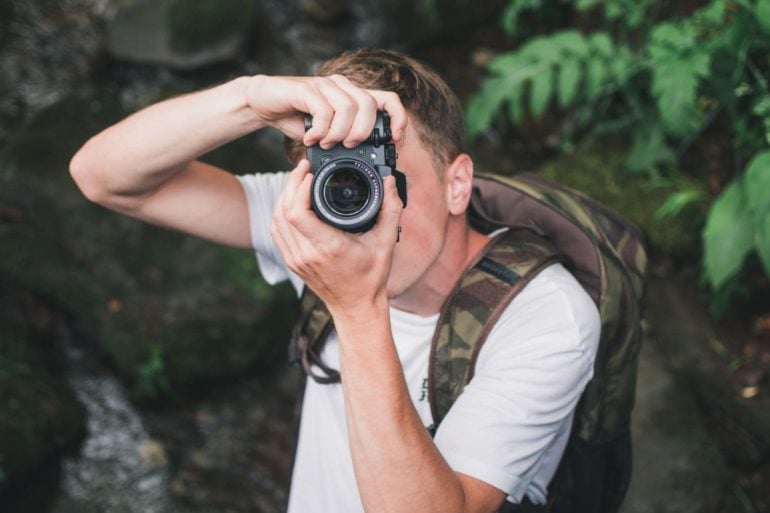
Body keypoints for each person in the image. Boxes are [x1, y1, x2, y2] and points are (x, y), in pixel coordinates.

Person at [70, 48, 600, 513]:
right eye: (341, 182)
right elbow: (105, 178)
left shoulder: (548, 319)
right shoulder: (316, 220)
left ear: (457, 184)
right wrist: (250, 101)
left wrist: (355, 307)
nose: (367, 212)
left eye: (388, 179)